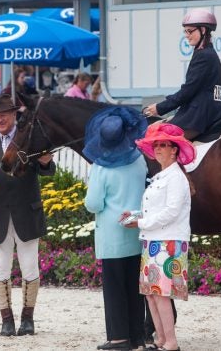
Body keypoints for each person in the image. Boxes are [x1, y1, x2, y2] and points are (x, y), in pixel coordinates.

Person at [0, 94, 55, 337]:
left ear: (14, 115)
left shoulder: (29, 137)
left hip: (26, 211)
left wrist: (47, 162)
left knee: (30, 267)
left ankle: (28, 319)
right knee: (0, 269)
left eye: (3, 116)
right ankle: (6, 320)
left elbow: (47, 171)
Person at [121, 123, 195, 351]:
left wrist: (140, 222)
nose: (159, 149)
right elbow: (157, 210)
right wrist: (134, 215)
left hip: (169, 242)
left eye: (164, 145)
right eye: (157, 145)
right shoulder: (162, 176)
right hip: (153, 240)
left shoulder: (176, 178)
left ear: (174, 150)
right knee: (151, 295)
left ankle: (171, 342)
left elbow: (172, 212)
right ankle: (161, 339)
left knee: (161, 294)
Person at [83, 106, 148, 351]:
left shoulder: (101, 168)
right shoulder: (139, 160)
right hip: (136, 229)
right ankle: (137, 336)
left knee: (114, 289)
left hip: (111, 235)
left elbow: (93, 204)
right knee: (134, 288)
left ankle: (119, 337)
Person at [143, 9, 221, 141]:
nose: (187, 35)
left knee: (161, 142)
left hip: (200, 115)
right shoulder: (206, 53)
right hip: (211, 110)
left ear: (203, 30)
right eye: (185, 31)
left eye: (190, 31)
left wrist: (160, 108)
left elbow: (188, 90)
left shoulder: (204, 56)